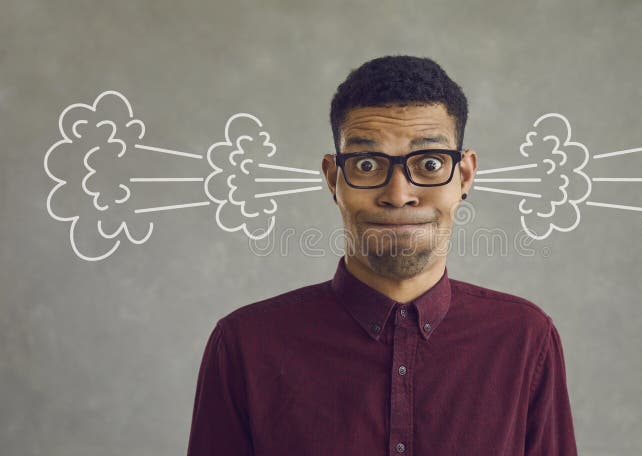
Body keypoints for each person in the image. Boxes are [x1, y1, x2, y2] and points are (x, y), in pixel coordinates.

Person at [187, 54, 578, 455]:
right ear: (333, 179)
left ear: (464, 176)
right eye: (367, 163)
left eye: (429, 163)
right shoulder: (245, 346)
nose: (398, 194)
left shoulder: (526, 339)